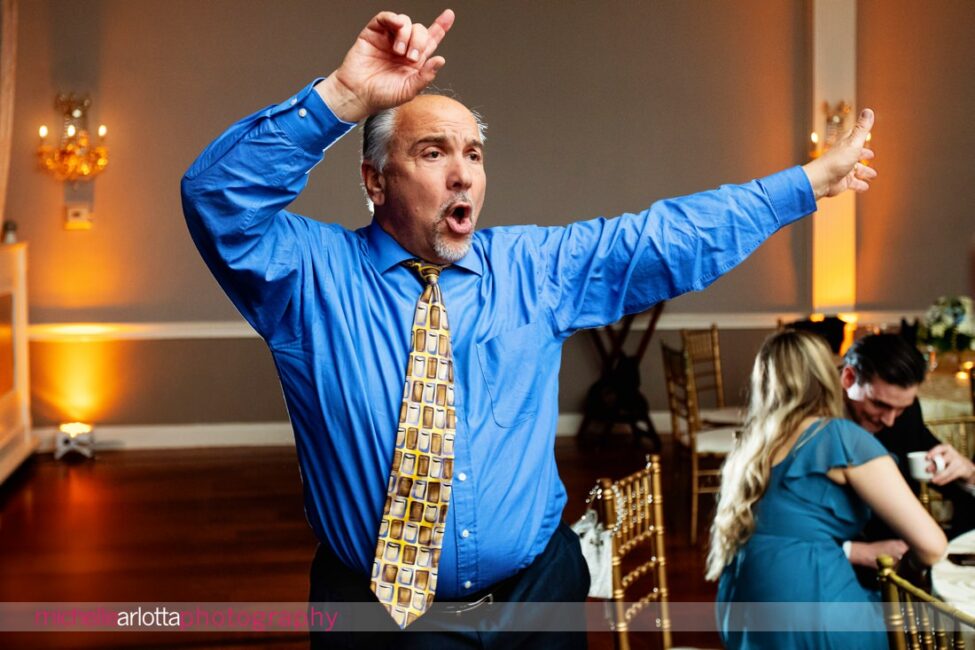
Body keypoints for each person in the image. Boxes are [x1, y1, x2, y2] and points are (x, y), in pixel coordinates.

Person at [181, 9, 877, 648]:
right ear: (374, 181)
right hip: (381, 616)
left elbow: (662, 237)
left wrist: (802, 185)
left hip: (539, 596)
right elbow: (216, 198)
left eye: (474, 155)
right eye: (432, 153)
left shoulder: (530, 269)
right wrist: (341, 96)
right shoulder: (307, 276)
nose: (463, 176)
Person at [709, 330, 947, 649]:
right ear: (835, 376)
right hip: (807, 605)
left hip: (742, 603)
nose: (890, 420)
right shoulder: (840, 436)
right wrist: (912, 567)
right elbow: (932, 546)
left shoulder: (753, 442)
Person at [839, 333, 975, 574]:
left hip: (907, 560)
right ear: (849, 378)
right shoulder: (814, 424)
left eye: (900, 409)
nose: (890, 421)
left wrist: (969, 474)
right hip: (836, 565)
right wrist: (857, 551)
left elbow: (937, 470)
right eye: (879, 404)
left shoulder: (906, 413)